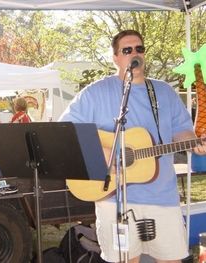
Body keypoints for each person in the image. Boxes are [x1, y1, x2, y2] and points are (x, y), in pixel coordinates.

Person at [59, 29, 206, 263]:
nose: (135, 53)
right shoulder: (95, 93)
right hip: (113, 200)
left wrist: (194, 142)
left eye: (139, 48)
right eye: (127, 50)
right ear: (115, 57)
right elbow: (65, 132)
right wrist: (103, 153)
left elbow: (181, 130)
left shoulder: (164, 92)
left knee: (171, 260)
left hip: (162, 196)